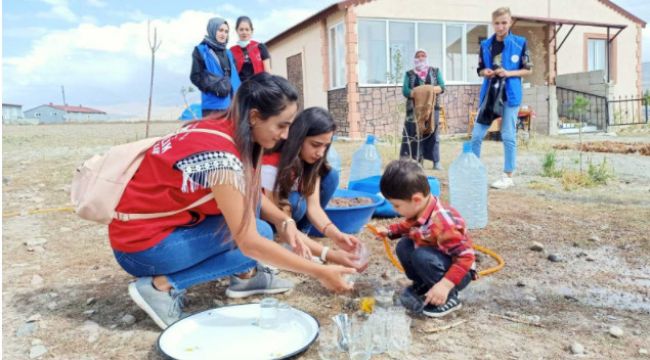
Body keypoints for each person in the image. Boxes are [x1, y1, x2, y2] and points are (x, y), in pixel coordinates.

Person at [110, 74, 356, 329]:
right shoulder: (222, 156)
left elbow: (251, 197)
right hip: (141, 247)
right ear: (254, 117)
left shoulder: (224, 130)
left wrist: (286, 220)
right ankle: (160, 286)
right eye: (281, 126)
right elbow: (251, 243)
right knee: (257, 236)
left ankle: (246, 276)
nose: (285, 135)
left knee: (259, 230)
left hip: (153, 231)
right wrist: (320, 271)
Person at [260, 107, 366, 270]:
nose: (320, 152)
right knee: (296, 203)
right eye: (315, 145)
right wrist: (329, 254)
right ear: (298, 138)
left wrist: (337, 236)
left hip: (289, 216)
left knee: (330, 176)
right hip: (271, 218)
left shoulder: (312, 163)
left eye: (325, 146)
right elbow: (282, 220)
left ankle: (302, 240)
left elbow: (314, 207)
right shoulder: (273, 163)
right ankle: (293, 244)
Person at [373, 159, 476, 318]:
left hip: (459, 272)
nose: (395, 210)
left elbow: (466, 258)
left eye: (397, 205)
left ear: (416, 200)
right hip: (437, 260)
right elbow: (409, 225)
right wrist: (389, 231)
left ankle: (449, 297)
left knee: (421, 255)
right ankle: (424, 284)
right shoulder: (421, 208)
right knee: (404, 245)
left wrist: (445, 285)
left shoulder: (444, 223)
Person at [471, 7, 533, 189]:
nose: (500, 27)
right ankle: (474, 173)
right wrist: (485, 72)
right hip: (489, 95)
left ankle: (508, 175)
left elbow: (528, 69)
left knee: (508, 135)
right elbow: (479, 69)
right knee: (476, 136)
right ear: (493, 24)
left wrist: (508, 72)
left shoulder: (520, 43)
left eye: (504, 22)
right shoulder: (485, 46)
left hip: (510, 96)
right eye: (497, 23)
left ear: (510, 22)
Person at [401, 49, 446, 170]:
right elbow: (405, 91)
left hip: (432, 108)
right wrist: (422, 93)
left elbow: (442, 87)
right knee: (415, 134)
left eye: (423, 56)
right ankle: (417, 160)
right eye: (418, 56)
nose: (421, 58)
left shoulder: (435, 72)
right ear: (415, 59)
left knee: (433, 133)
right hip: (414, 109)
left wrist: (427, 91)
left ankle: (436, 161)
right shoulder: (409, 74)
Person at [190, 17, 241, 117]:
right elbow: (195, 76)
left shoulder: (229, 53)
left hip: (233, 106)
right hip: (213, 107)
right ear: (212, 30)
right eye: (220, 30)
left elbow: (234, 77)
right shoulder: (201, 50)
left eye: (226, 31)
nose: (223, 34)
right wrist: (215, 87)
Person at [230, 16, 272, 83]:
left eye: (247, 29)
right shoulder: (231, 51)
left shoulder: (260, 47)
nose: (244, 32)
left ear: (251, 31)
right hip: (240, 89)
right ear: (237, 31)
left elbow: (268, 72)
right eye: (241, 29)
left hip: (259, 87)